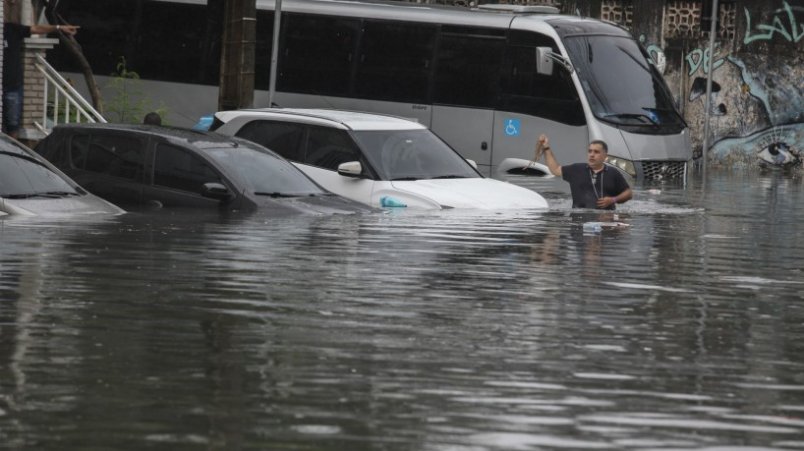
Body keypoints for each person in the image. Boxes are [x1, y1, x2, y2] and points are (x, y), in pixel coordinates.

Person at [2, 22, 79, 138]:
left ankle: (12, 152)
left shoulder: (11, 29)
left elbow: (36, 28)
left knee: (13, 126)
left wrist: (58, 27)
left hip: (12, 87)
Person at [531, 134, 632, 210]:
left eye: (596, 152)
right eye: (590, 151)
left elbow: (628, 193)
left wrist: (613, 200)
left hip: (605, 220)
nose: (591, 155)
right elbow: (555, 169)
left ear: (605, 156)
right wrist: (546, 148)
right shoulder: (576, 169)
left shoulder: (613, 173)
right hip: (579, 221)